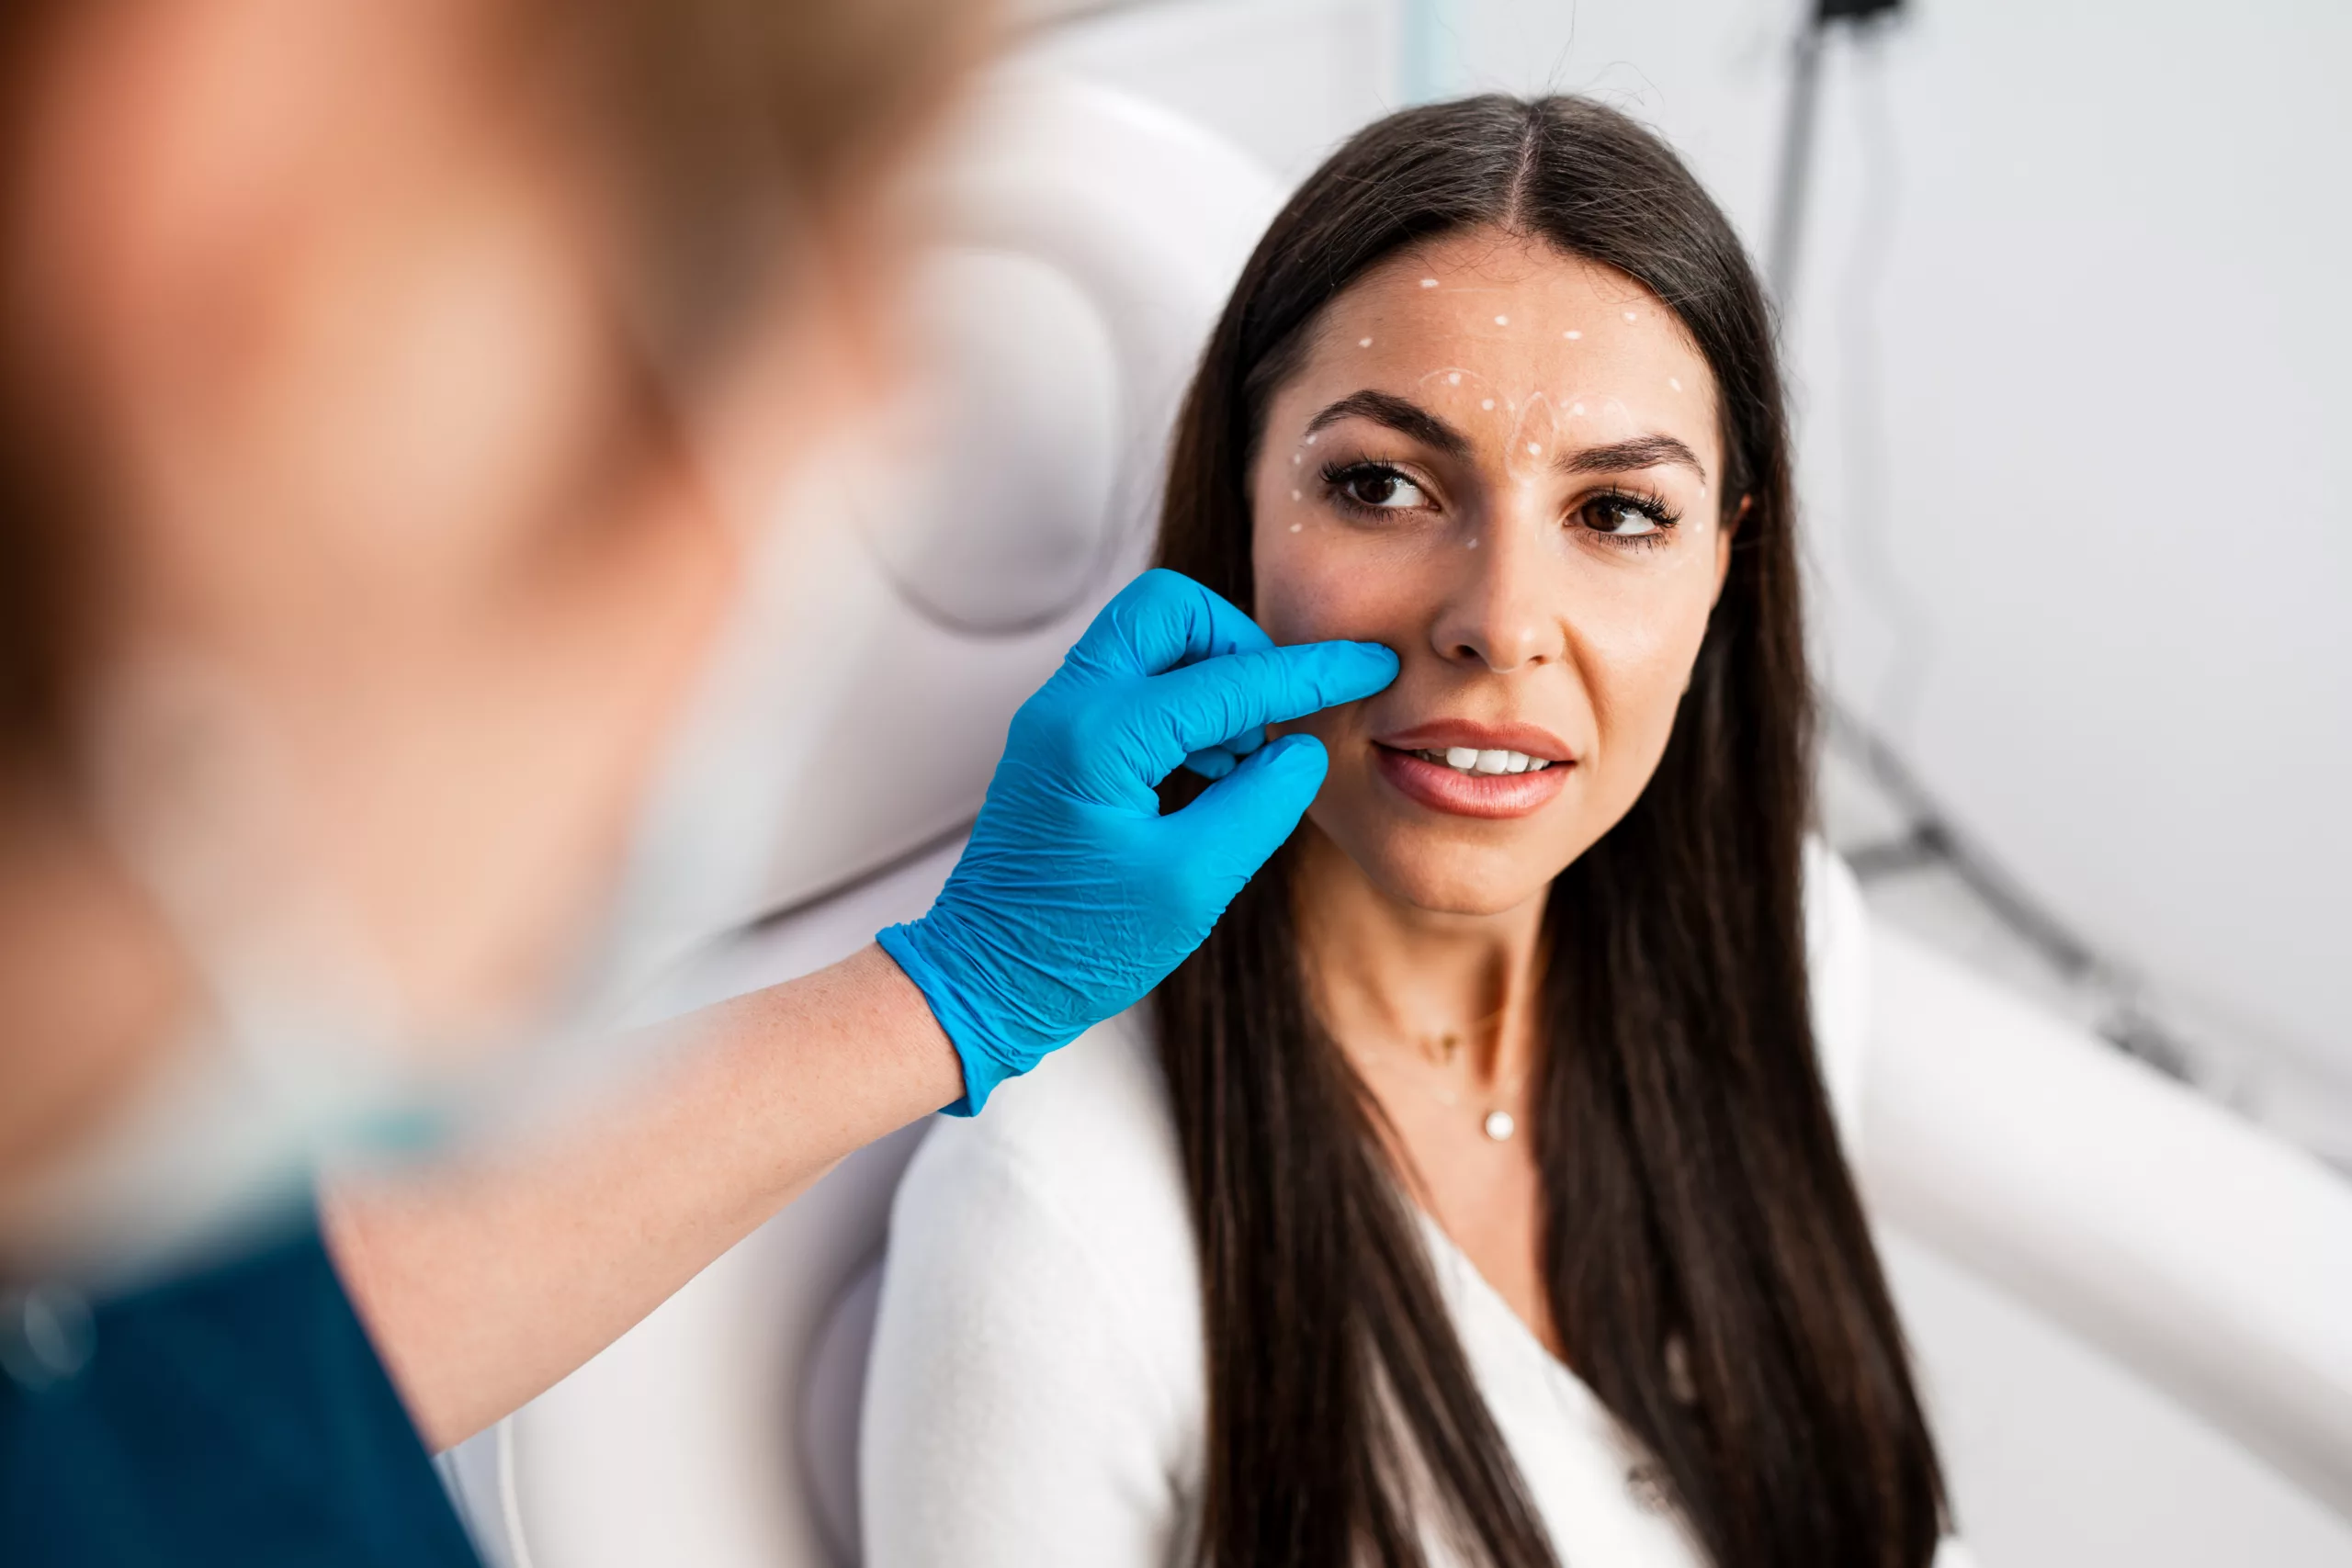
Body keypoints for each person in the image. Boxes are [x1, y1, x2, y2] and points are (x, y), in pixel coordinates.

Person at [0, 0, 1393, 1561]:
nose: (855, 429)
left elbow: (263, 1363)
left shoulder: (119, 1223)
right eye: (757, 297)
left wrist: (951, 992)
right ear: (236, 191)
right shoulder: (1054, 1239)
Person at [862, 95, 1973, 1568]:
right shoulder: (1054, 1229)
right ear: (1238, 511)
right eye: (1380, 486)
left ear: (1725, 564)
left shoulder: (1784, 937)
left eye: (1622, 511)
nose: (1498, 623)